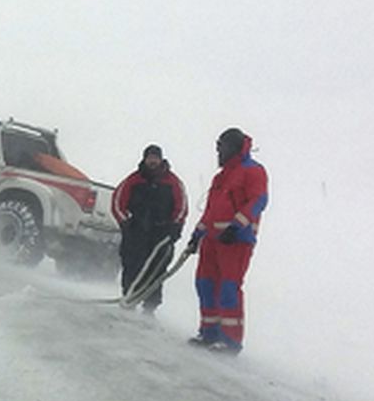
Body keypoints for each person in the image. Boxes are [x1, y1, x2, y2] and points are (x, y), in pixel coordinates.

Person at [184, 127, 269, 352]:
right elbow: (211, 210)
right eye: (217, 147)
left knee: (228, 287)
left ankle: (231, 340)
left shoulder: (253, 171)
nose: (219, 152)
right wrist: (197, 235)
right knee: (205, 284)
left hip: (236, 241)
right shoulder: (221, 177)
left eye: (222, 147)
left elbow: (258, 200)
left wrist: (237, 226)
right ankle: (209, 333)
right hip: (212, 240)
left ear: (233, 148)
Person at [111, 144, 189, 314]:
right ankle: (129, 300)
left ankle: (150, 307)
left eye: (156, 158)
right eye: (150, 158)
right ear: (144, 159)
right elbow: (117, 202)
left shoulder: (173, 182)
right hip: (136, 231)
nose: (152, 161)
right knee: (132, 265)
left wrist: (175, 227)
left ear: (161, 159)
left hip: (160, 233)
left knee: (157, 269)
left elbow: (181, 206)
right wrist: (125, 223)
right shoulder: (133, 180)